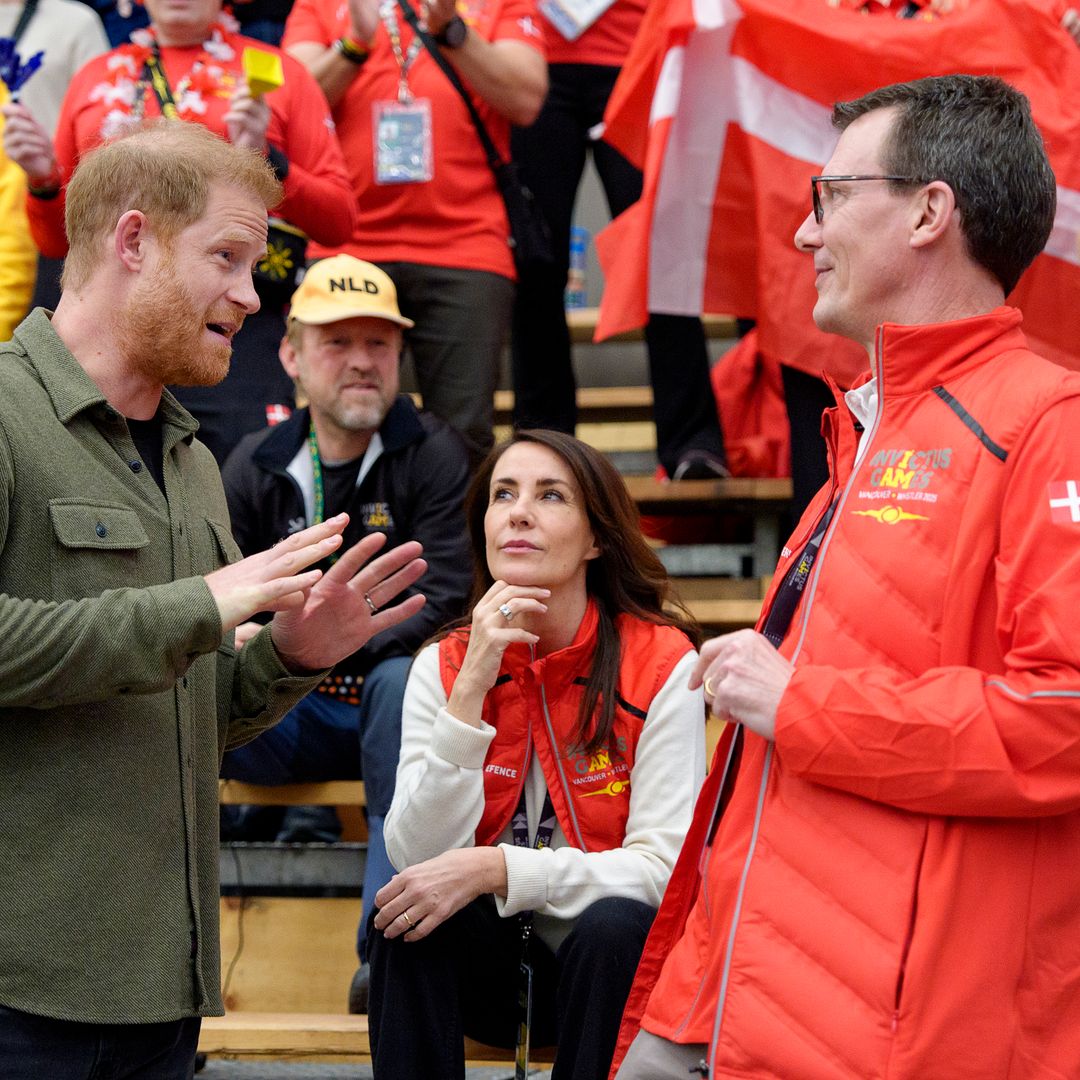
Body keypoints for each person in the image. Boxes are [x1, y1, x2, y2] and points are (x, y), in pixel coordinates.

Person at [611, 74, 1080, 1080]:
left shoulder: (1050, 426)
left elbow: (1066, 718)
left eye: (829, 198)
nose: (801, 236)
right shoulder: (867, 433)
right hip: (728, 998)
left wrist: (805, 704)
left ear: (927, 210)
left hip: (887, 1031)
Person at [0, 119, 428, 1079]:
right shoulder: (3, 414)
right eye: (228, 258)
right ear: (134, 240)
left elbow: (195, 710)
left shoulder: (192, 462)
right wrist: (200, 600)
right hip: (21, 994)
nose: (250, 293)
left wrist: (292, 657)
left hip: (164, 995)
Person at [367, 429, 707, 1079]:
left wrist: (501, 868)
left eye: (551, 495)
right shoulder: (442, 665)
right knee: (404, 912)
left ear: (597, 538)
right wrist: (471, 688)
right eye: (503, 494)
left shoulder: (661, 665)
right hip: (488, 968)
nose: (519, 511)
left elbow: (666, 875)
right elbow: (416, 857)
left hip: (609, 971)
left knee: (615, 926)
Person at [220, 253, 472, 985]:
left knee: (402, 678)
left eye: (379, 344)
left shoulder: (437, 455)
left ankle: (385, 954)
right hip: (284, 716)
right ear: (291, 356)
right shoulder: (252, 464)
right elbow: (227, 598)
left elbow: (449, 598)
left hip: (390, 715)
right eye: (338, 343)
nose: (362, 362)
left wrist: (316, 642)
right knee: (169, 684)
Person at [1, 0, 357, 463]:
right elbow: (57, 243)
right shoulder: (97, 74)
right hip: (111, 335)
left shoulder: (274, 71)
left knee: (232, 491)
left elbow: (339, 221)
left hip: (234, 335)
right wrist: (45, 182)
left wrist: (270, 158)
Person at [282, 0, 547, 461]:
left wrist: (452, 30)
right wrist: (353, 44)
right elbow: (290, 107)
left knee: (463, 434)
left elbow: (525, 99)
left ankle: (452, 536)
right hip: (346, 244)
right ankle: (341, 536)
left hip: (466, 246)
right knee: (338, 423)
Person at [510, 0, 728, 481]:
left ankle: (693, 442)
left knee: (661, 255)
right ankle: (545, 446)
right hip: (528, 52)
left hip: (641, 52)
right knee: (535, 263)